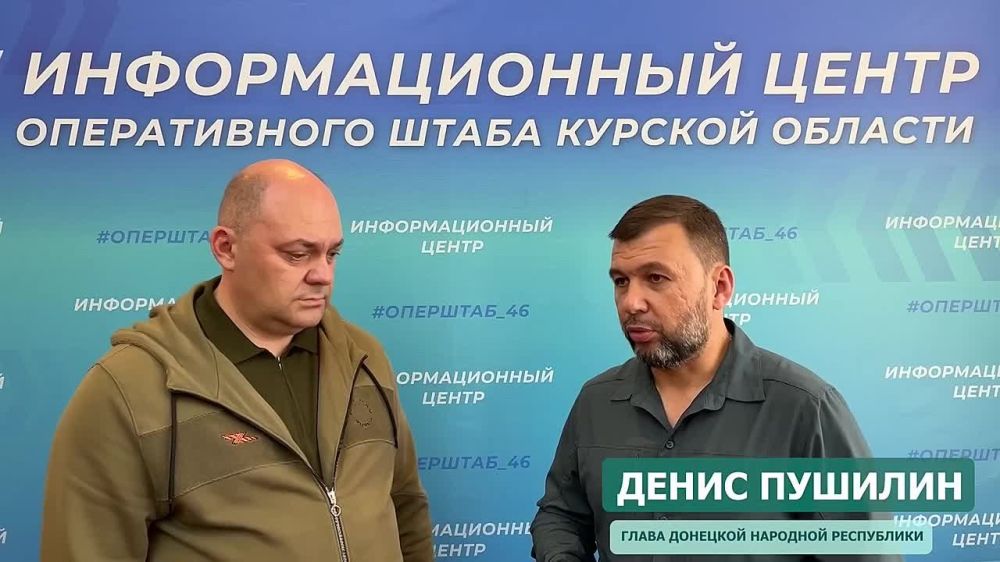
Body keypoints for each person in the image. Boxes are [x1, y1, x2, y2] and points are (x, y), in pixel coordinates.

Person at [41, 159, 434, 562]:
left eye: (331, 254)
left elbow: (404, 507)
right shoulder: (127, 389)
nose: (323, 275)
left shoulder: (364, 358)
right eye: (298, 255)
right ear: (226, 248)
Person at [530, 194, 897, 562]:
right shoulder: (596, 400)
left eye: (656, 278)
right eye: (621, 281)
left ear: (719, 287)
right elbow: (562, 516)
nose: (631, 302)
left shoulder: (805, 407)